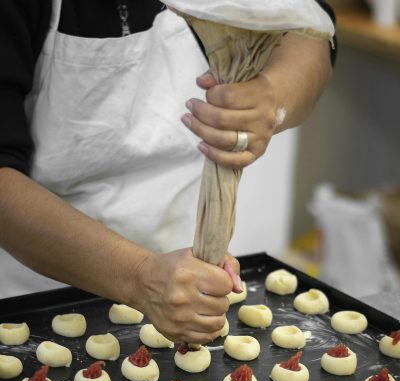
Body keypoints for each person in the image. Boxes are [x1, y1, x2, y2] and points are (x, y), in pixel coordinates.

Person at [0, 0, 336, 344]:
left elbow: (311, 29)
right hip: (34, 297)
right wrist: (140, 276)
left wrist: (273, 97)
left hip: (190, 279)